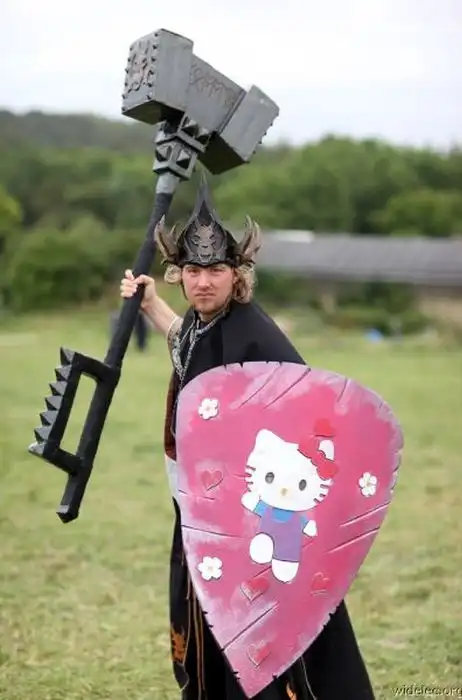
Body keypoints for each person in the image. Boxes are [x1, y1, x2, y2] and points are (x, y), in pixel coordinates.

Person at [120, 176, 375, 700]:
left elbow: (311, 416)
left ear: (237, 274)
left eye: (216, 270)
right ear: (180, 274)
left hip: (256, 522)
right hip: (208, 514)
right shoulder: (206, 323)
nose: (203, 282)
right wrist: (150, 305)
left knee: (260, 635)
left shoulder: (255, 334)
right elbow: (193, 351)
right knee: (214, 625)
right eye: (193, 271)